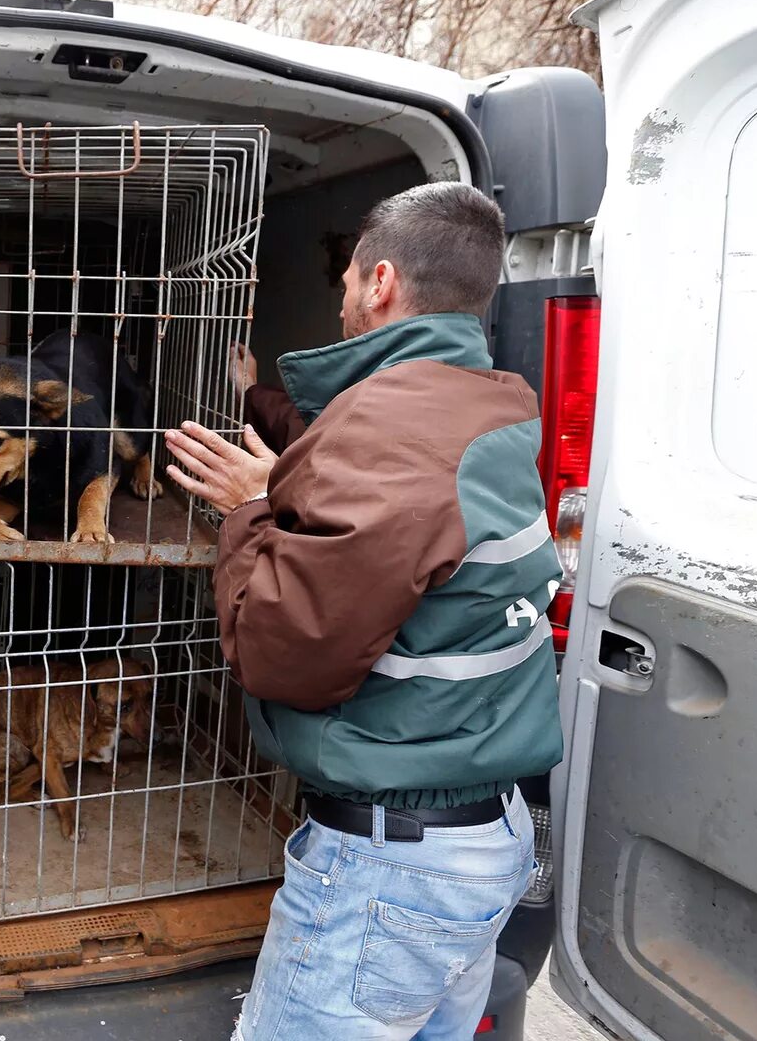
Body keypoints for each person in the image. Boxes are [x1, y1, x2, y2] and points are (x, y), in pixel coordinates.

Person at [164, 182, 563, 1040]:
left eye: (345, 279)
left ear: (378, 281)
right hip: (484, 836)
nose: (340, 296)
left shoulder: (389, 434)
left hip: (392, 869)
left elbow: (282, 657)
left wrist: (247, 511)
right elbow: (395, 518)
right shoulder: (489, 402)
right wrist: (276, 483)